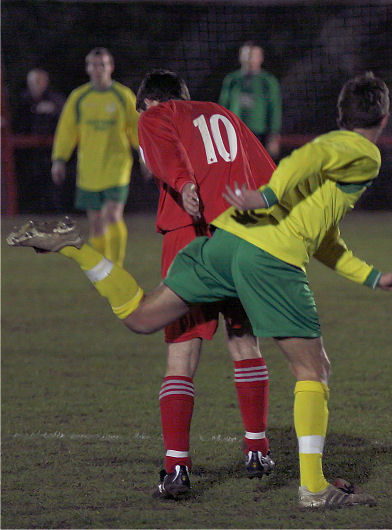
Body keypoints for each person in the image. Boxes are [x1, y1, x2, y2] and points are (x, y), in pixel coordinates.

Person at [8, 72, 392, 509]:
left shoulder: (163, 118)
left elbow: (322, 230)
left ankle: (76, 248)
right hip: (257, 244)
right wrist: (262, 196)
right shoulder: (343, 148)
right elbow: (300, 161)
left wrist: (372, 276)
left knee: (148, 322)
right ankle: (292, 472)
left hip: (217, 240)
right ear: (385, 117)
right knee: (291, 362)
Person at [135, 69, 278, 498]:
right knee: (245, 343)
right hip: (239, 239)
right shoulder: (223, 114)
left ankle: (177, 468)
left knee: (182, 356)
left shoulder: (155, 117)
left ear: (151, 105)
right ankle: (257, 449)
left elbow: (167, 158)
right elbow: (269, 175)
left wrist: (182, 184)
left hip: (187, 238)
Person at [51, 47, 140, 266]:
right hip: (90, 168)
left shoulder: (123, 95)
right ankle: (103, 266)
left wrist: (145, 154)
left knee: (112, 216)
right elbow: (67, 130)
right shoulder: (79, 97)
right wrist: (59, 159)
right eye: (94, 65)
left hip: (117, 165)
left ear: (111, 67)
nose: (98, 69)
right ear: (88, 68)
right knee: (97, 223)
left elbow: (137, 127)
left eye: (103, 64)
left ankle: (116, 266)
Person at [14, 68, 65, 212]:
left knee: (53, 184)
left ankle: (55, 212)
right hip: (29, 153)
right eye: (31, 82)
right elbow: (17, 124)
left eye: (37, 81)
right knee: (31, 183)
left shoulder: (56, 100)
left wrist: (52, 111)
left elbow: (65, 122)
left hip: (50, 150)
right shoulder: (23, 101)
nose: (34, 85)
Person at [219, 42, 282, 158]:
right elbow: (223, 106)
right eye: (247, 55)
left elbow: (275, 108)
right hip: (234, 132)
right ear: (240, 56)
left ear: (260, 58)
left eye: (253, 55)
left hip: (258, 134)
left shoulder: (268, 81)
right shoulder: (232, 79)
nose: (249, 59)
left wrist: (273, 136)